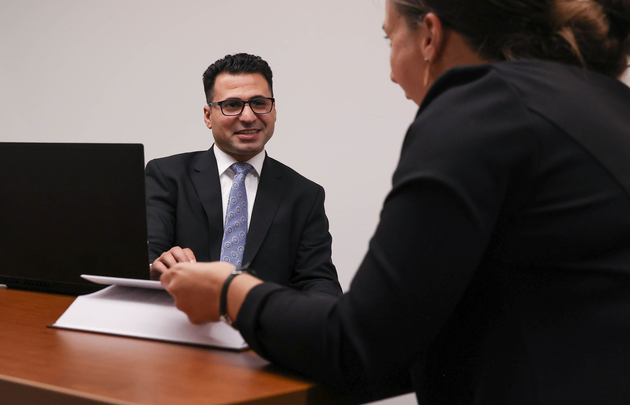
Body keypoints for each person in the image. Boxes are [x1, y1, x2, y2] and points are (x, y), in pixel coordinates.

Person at [159, 0, 630, 403]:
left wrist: (229, 290)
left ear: (429, 36)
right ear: (208, 115)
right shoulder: (599, 100)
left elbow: (360, 346)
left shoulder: (480, 109)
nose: (389, 71)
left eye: (389, 40)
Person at [145, 53, 342, 297]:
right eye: (232, 105)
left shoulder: (305, 195)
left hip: (263, 330)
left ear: (274, 110)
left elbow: (319, 282)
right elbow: (147, 257)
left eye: (259, 103)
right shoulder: (167, 176)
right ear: (208, 116)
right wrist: (156, 267)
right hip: (180, 322)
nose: (248, 117)